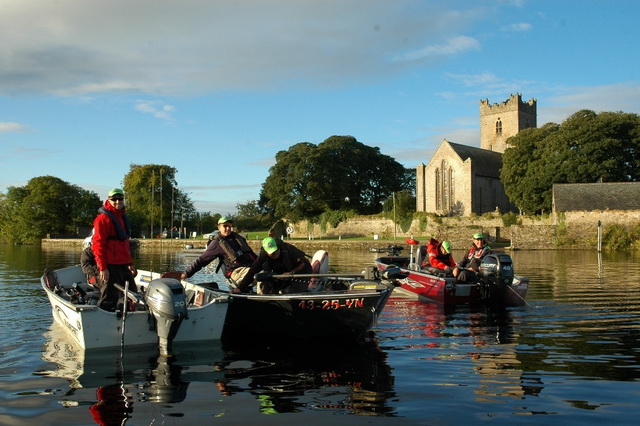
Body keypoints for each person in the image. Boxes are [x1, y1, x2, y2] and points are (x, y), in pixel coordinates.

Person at [91, 188, 137, 311]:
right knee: (109, 297)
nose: (118, 202)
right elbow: (98, 245)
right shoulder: (102, 219)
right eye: (114, 199)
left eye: (120, 199)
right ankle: (104, 319)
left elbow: (125, 243)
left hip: (123, 264)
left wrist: (130, 263)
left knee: (133, 294)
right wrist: (103, 268)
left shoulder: (122, 217)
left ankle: (129, 315)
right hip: (110, 265)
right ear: (108, 200)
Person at [180, 216, 257, 286]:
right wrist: (186, 274)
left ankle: (265, 296)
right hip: (236, 272)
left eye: (229, 226)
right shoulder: (216, 243)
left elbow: (252, 255)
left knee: (266, 272)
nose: (228, 228)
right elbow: (202, 260)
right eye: (225, 226)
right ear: (219, 227)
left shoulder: (239, 239)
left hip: (249, 267)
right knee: (259, 275)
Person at [235, 237, 312, 294]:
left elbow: (305, 263)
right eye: (272, 253)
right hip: (279, 277)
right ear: (266, 251)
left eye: (276, 250)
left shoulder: (288, 249)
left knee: (291, 291)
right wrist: (240, 288)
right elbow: (252, 271)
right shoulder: (263, 257)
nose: (275, 254)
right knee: (266, 290)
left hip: (298, 275)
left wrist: (292, 273)